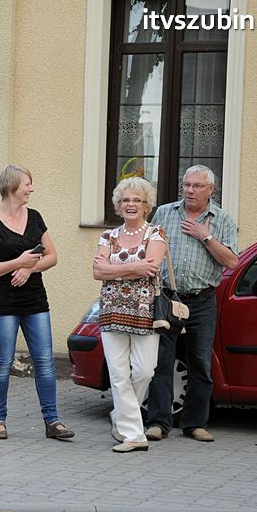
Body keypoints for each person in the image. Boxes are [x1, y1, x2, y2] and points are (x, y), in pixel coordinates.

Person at [0, 164, 74, 441]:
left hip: (35, 301)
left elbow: (52, 256)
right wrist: (16, 263)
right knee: (2, 361)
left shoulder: (35, 217)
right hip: (3, 303)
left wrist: (30, 268)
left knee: (45, 361)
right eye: (27, 183)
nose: (31, 188)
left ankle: (52, 421)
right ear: (11, 187)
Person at [145, 165, 238, 443]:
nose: (189, 190)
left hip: (201, 301)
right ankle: (158, 422)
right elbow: (149, 247)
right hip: (167, 298)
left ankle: (195, 424)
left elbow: (232, 261)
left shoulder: (221, 218)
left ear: (211, 189)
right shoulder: (165, 213)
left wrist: (205, 236)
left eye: (197, 186)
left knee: (200, 362)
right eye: (186, 185)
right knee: (161, 361)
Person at [93, 177, 166, 452]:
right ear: (118, 205)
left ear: (147, 206)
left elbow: (153, 266)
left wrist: (114, 266)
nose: (131, 205)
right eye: (125, 200)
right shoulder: (108, 236)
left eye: (137, 200)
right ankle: (134, 435)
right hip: (112, 310)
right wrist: (135, 267)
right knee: (118, 373)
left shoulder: (156, 233)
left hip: (146, 313)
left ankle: (121, 415)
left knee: (145, 371)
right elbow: (97, 272)